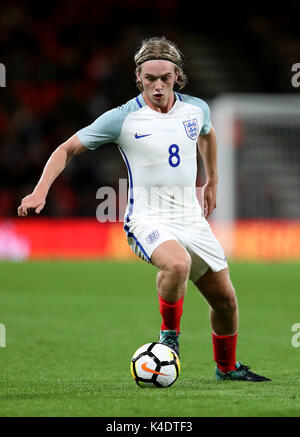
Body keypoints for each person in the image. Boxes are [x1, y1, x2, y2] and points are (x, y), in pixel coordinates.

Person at [18, 36, 270, 382]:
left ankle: (227, 369)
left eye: (165, 78)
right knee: (177, 263)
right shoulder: (122, 118)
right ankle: (169, 338)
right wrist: (40, 191)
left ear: (177, 76)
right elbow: (66, 149)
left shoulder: (196, 109)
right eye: (149, 78)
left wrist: (212, 180)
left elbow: (208, 135)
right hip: (147, 219)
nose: (157, 85)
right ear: (138, 77)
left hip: (191, 219)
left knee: (226, 301)